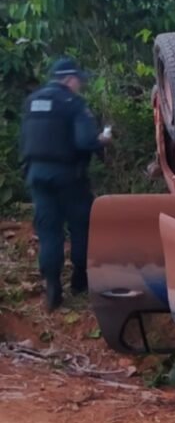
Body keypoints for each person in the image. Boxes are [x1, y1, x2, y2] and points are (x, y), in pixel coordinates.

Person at [19, 58, 112, 311]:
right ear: (70, 80)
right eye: (78, 81)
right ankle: (80, 281)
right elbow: (84, 142)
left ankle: (52, 288)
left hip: (37, 175)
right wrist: (101, 140)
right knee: (81, 225)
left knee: (49, 231)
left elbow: (25, 141)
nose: (79, 85)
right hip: (69, 177)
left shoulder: (32, 102)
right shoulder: (73, 104)